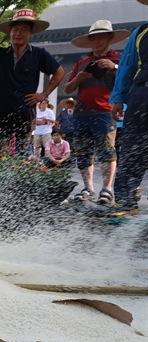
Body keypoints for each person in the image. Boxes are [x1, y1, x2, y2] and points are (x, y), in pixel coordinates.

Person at [0, 9, 64, 157]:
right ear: (10, 32)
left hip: (25, 111)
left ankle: (20, 178)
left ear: (30, 33)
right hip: (1, 112)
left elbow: (59, 72)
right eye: (15, 29)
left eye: (24, 30)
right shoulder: (1, 54)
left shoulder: (39, 54)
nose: (18, 33)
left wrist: (44, 94)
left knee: (22, 152)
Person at [65, 20, 130, 205]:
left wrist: (114, 67)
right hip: (80, 112)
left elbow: (128, 78)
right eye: (94, 38)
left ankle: (107, 189)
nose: (97, 41)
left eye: (101, 37)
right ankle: (88, 188)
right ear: (89, 41)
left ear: (110, 38)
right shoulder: (82, 62)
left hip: (104, 111)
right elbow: (68, 88)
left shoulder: (119, 59)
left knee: (107, 151)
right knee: (83, 153)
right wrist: (78, 78)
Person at [109, 0, 148, 216]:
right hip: (142, 93)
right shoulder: (142, 31)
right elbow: (127, 65)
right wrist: (118, 99)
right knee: (133, 148)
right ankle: (125, 199)